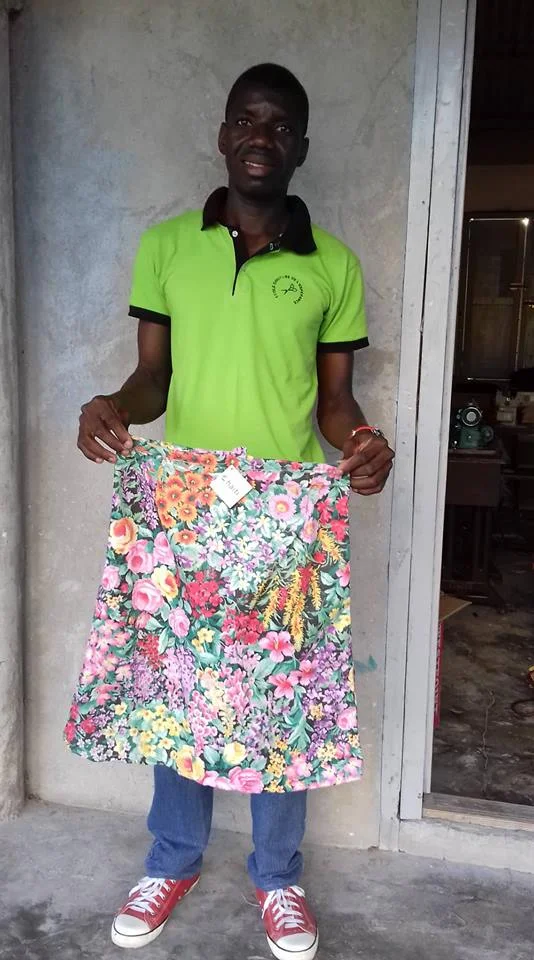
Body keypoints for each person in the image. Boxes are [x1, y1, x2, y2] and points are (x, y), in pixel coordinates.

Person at [77, 63, 394, 960]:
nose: (262, 137)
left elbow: (335, 401)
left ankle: (278, 878)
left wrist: (361, 442)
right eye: (247, 121)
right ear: (223, 136)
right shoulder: (168, 248)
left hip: (284, 520)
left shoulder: (333, 265)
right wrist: (113, 404)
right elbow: (153, 378)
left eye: (280, 125)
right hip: (184, 514)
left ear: (302, 146)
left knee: (281, 700)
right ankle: (172, 859)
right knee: (181, 689)